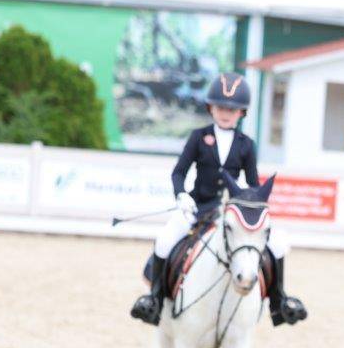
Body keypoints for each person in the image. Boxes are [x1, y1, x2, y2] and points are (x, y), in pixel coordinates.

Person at [130, 72, 307, 327]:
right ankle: (155, 299)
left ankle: (279, 301)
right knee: (165, 239)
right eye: (221, 107)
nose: (226, 113)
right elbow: (179, 172)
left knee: (277, 243)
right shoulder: (198, 137)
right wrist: (181, 195)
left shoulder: (246, 145)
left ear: (241, 113)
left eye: (232, 109)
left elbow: (254, 184)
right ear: (211, 108)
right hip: (198, 207)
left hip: (231, 212)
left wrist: (250, 203)